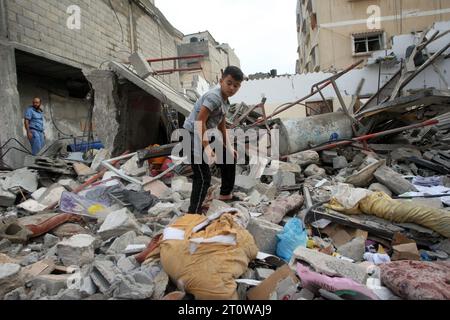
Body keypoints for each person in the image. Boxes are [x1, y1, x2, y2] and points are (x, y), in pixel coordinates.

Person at [183, 66, 244, 214]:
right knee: (203, 177)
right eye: (229, 83)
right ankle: (193, 213)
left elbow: (221, 126)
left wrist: (228, 147)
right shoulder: (214, 97)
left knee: (229, 156)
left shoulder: (225, 101)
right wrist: (207, 148)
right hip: (191, 135)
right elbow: (199, 122)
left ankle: (225, 194)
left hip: (205, 133)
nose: (232, 88)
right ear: (221, 80)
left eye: (236, 85)